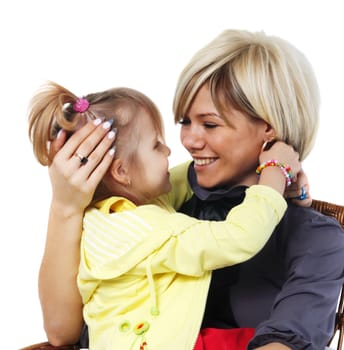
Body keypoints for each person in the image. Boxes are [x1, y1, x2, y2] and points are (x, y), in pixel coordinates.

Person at [34, 29, 344, 350]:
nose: (188, 142)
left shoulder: (315, 237)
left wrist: (277, 177)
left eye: (210, 124)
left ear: (269, 127)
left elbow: (285, 343)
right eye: (185, 121)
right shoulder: (151, 207)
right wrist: (65, 207)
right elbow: (62, 334)